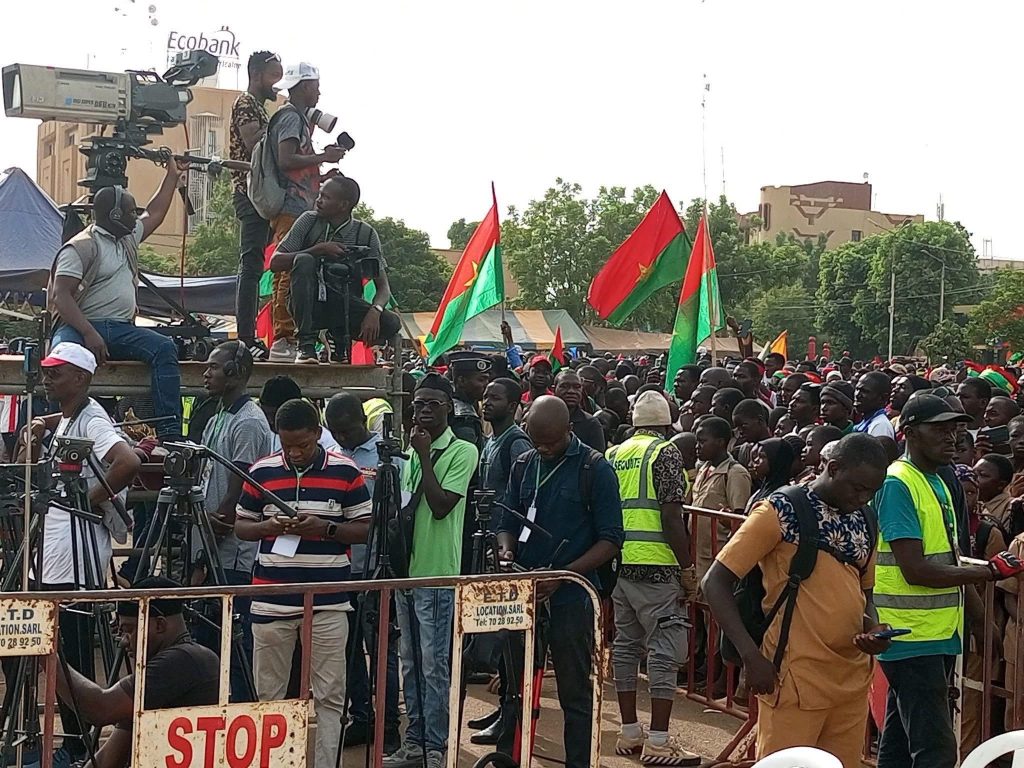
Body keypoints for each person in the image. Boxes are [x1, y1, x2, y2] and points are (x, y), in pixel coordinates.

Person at [703, 434, 891, 767]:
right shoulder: (780, 510)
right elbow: (714, 582)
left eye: (871, 492)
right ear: (833, 468)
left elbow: (865, 594)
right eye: (858, 488)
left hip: (850, 681)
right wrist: (751, 656)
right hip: (794, 678)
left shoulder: (866, 518)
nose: (863, 498)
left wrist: (873, 629)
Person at [873, 394, 1024, 768]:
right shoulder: (898, 483)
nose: (952, 438)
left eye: (955, 429)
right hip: (909, 635)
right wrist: (990, 571)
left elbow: (950, 558)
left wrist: (979, 617)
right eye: (939, 429)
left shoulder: (938, 481)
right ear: (910, 433)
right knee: (937, 750)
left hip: (935, 632)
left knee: (899, 741)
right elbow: (916, 569)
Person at [21, 342, 140, 768]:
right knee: (46, 647)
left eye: (56, 372)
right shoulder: (74, 415)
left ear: (81, 378)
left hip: (74, 556)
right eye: (46, 371)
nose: (47, 378)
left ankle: (76, 745)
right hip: (55, 554)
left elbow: (128, 461)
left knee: (69, 654)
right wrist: (44, 422)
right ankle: (68, 741)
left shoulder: (92, 418)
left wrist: (84, 502)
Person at [236, 399, 370, 768]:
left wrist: (326, 529)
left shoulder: (346, 471)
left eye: (303, 445)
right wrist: (268, 527)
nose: (294, 453)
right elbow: (241, 526)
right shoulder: (261, 471)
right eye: (287, 445)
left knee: (331, 694)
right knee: (270, 696)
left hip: (329, 601)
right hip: (271, 601)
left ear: (317, 434)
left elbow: (365, 528)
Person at [498, 396, 623, 768]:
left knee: (575, 692)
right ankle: (510, 758)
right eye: (537, 441)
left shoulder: (595, 469)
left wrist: (565, 574)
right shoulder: (524, 463)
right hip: (524, 590)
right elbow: (507, 523)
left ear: (569, 429)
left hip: (572, 596)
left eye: (551, 442)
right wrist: (506, 552)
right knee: (516, 688)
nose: (544, 449)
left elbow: (611, 540)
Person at [50, 161, 186, 441]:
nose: (136, 217)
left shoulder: (127, 239)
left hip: (121, 329)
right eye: (130, 211)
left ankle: (170, 436)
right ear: (114, 215)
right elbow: (60, 296)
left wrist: (172, 175)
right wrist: (89, 332)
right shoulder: (81, 246)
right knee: (62, 357)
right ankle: (61, 431)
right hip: (79, 327)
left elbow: (155, 212)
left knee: (164, 348)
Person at [386, 374, 478, 768]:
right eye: (418, 403)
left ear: (449, 409)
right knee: (410, 663)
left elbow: (441, 506)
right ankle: (414, 743)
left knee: (434, 664)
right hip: (407, 571)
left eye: (432, 404)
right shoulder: (411, 451)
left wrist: (424, 455)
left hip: (438, 572)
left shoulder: (462, 450)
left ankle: (435, 747)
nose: (423, 410)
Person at [605, 391, 699, 766]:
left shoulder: (615, 454)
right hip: (658, 566)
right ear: (666, 425)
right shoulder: (664, 452)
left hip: (621, 563)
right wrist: (687, 568)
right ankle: (659, 741)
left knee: (626, 646)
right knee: (664, 650)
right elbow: (672, 515)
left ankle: (629, 732)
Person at [52, 577, 219, 768]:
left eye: (129, 630)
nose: (123, 641)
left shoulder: (183, 660)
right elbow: (109, 758)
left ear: (160, 625)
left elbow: (101, 709)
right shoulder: (179, 660)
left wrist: (49, 656)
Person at [195, 341, 273, 701]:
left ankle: (242, 710)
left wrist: (208, 546)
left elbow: (239, 489)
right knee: (209, 640)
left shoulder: (249, 422)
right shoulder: (217, 418)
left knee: (236, 644)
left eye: (214, 367)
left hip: (233, 554)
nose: (206, 373)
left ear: (235, 372)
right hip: (212, 548)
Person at [325, 392, 402, 753]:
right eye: (335, 431)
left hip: (375, 568)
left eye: (347, 429)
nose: (342, 437)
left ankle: (388, 725)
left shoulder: (388, 458)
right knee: (347, 648)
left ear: (362, 421)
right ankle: (362, 717)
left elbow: (398, 511)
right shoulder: (331, 456)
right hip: (340, 568)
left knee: (382, 649)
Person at [264, 62, 347, 361]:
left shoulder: (296, 118)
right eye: (315, 86)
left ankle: (288, 337)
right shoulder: (290, 117)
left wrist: (322, 175)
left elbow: (295, 167)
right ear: (303, 87)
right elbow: (286, 160)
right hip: (290, 205)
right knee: (288, 271)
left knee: (292, 270)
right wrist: (323, 156)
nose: (319, 92)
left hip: (297, 204)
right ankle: (284, 338)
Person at [269, 176, 400, 363]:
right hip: (307, 301)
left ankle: (337, 337)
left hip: (344, 304)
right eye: (320, 195)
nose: (318, 200)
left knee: (391, 322)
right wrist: (318, 250)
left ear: (343, 205)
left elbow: (383, 287)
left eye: (326, 197)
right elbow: (275, 262)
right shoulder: (308, 221)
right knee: (304, 260)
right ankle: (306, 344)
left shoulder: (365, 234)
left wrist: (375, 311)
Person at [231, 50, 283, 357]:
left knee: (259, 264)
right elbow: (255, 145)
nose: (278, 83)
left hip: (263, 195)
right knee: (251, 265)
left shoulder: (259, 108)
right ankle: (245, 337)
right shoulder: (246, 104)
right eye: (274, 76)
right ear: (256, 75)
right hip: (250, 194)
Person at [692, 416, 751, 580]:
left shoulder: (735, 473)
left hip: (718, 555)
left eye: (703, 442)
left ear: (720, 442)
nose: (697, 447)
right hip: (698, 553)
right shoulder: (703, 469)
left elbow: (739, 518)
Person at [259, 375, 340, 453]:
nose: (270, 421)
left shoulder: (326, 444)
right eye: (265, 414)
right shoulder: (263, 432)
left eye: (274, 415)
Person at [553, 369, 607, 452]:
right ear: (553, 389)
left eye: (577, 387)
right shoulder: (543, 417)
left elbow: (596, 457)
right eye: (564, 386)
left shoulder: (591, 424)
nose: (571, 391)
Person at [746, 437, 797, 511]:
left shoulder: (781, 497)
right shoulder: (763, 489)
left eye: (762, 456)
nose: (756, 460)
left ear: (776, 460)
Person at [854, 371, 896, 439]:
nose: (857, 394)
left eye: (864, 391)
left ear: (882, 398)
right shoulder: (869, 421)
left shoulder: (880, 426)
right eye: (857, 389)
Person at [732, 399, 772, 469]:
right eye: (738, 428)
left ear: (760, 420)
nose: (740, 431)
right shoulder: (740, 452)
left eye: (743, 426)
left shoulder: (776, 450)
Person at [976, 453, 1013, 527]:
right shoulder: (972, 504)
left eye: (982, 475)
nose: (973, 478)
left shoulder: (1011, 509)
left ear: (1001, 485)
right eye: (972, 472)